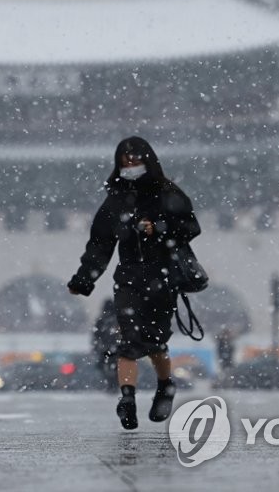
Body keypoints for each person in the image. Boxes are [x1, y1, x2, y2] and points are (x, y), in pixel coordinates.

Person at [68, 136, 201, 429]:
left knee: (155, 341)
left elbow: (191, 226)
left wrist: (161, 227)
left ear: (147, 160)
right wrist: (84, 278)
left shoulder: (167, 193)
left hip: (162, 276)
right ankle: (127, 398)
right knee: (127, 341)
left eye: (135, 161)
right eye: (124, 162)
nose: (130, 167)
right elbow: (100, 244)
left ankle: (165, 384)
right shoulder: (115, 200)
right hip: (129, 277)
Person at [91, 298, 120, 392]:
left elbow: (96, 335)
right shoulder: (117, 319)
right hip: (116, 348)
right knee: (116, 367)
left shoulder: (101, 320)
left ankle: (111, 384)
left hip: (105, 348)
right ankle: (114, 384)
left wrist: (96, 346)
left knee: (105, 366)